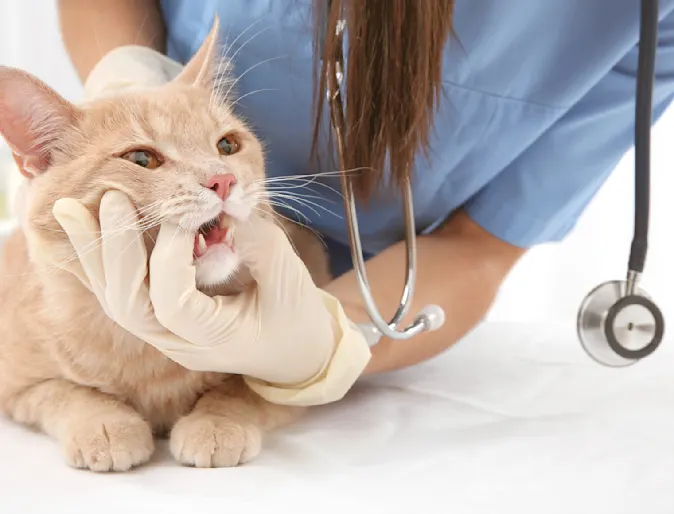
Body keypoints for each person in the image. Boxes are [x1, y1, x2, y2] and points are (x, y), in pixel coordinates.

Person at [54, 0, 674, 405]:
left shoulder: (648, 17)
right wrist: (127, 81)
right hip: (154, 207)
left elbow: (480, 248)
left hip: (378, 293)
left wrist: (324, 343)